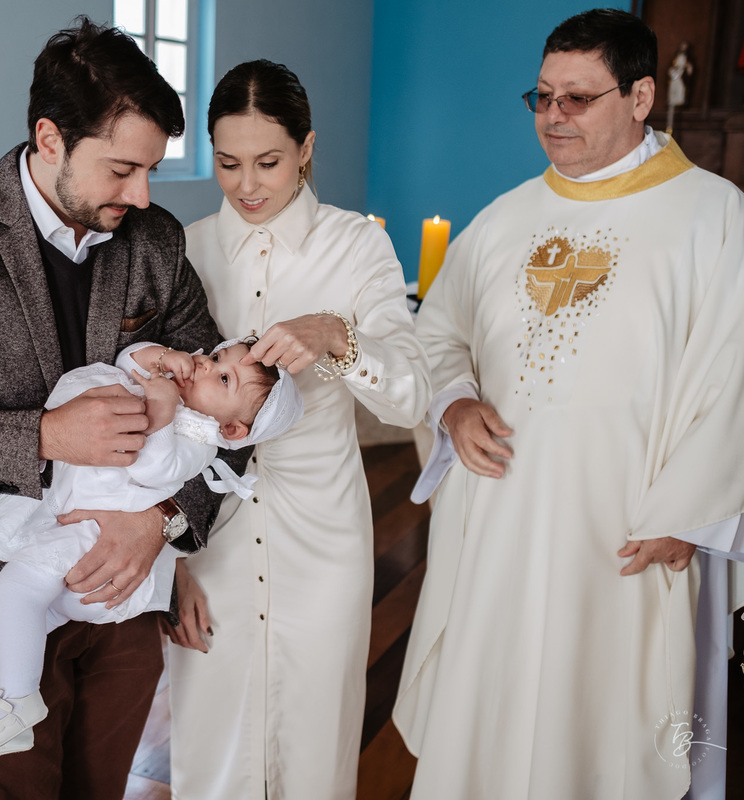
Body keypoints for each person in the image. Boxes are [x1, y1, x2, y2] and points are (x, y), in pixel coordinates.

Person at [0, 17, 244, 799]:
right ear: (50, 137)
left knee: (103, 784)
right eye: (123, 169)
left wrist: (161, 518)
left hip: (124, 583)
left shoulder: (154, 241)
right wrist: (44, 436)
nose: (142, 195)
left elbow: (230, 410)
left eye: (151, 170)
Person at [394, 9, 744, 800]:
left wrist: (688, 511)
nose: (554, 116)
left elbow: (736, 370)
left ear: (643, 96)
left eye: (579, 99)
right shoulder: (506, 217)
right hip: (500, 517)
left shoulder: (714, 215)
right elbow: (437, 333)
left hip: (625, 526)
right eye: (543, 96)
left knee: (601, 713)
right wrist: (452, 405)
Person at [166, 60, 431, 800]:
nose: (248, 185)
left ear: (307, 148)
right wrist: (173, 561)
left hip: (324, 539)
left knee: (316, 745)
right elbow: (164, 417)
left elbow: (410, 397)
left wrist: (338, 337)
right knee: (210, 745)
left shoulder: (357, 246)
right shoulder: (184, 249)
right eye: (227, 163)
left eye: (270, 162)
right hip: (208, 539)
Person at [0, 340, 302, 758]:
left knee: (13, 590)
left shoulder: (197, 437)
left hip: (98, 534)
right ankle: (15, 704)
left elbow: (148, 463)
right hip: (78, 523)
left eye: (223, 378)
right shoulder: (181, 391)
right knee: (26, 612)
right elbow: (126, 361)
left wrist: (163, 402)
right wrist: (158, 357)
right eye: (214, 358)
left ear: (231, 429)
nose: (205, 368)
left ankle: (14, 705)